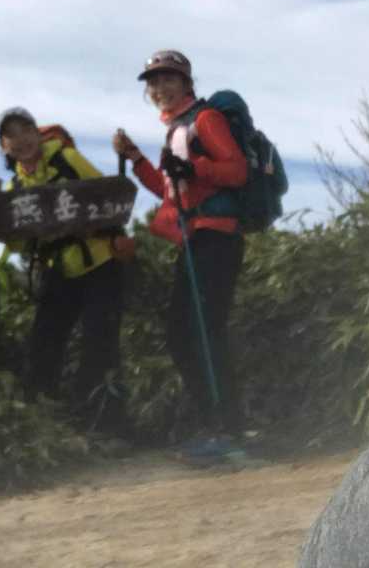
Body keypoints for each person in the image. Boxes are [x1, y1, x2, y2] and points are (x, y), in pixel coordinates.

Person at [112, 49, 248, 463]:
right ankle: (219, 426)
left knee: (201, 333)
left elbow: (237, 170)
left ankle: (227, 432)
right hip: (196, 240)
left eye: (168, 79)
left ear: (187, 83)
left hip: (216, 237)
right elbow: (170, 190)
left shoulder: (205, 120)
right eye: (153, 82)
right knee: (186, 333)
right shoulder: (176, 130)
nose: (160, 88)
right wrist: (137, 159)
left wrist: (196, 169)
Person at [0, 107, 131, 431]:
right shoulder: (14, 188)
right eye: (11, 135)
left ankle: (105, 424)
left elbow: (107, 194)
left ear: (38, 133)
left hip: (100, 262)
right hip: (56, 269)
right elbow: (17, 244)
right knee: (43, 345)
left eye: (26, 130)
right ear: (4, 146)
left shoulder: (67, 158)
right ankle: (45, 422)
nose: (21, 140)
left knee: (100, 343)